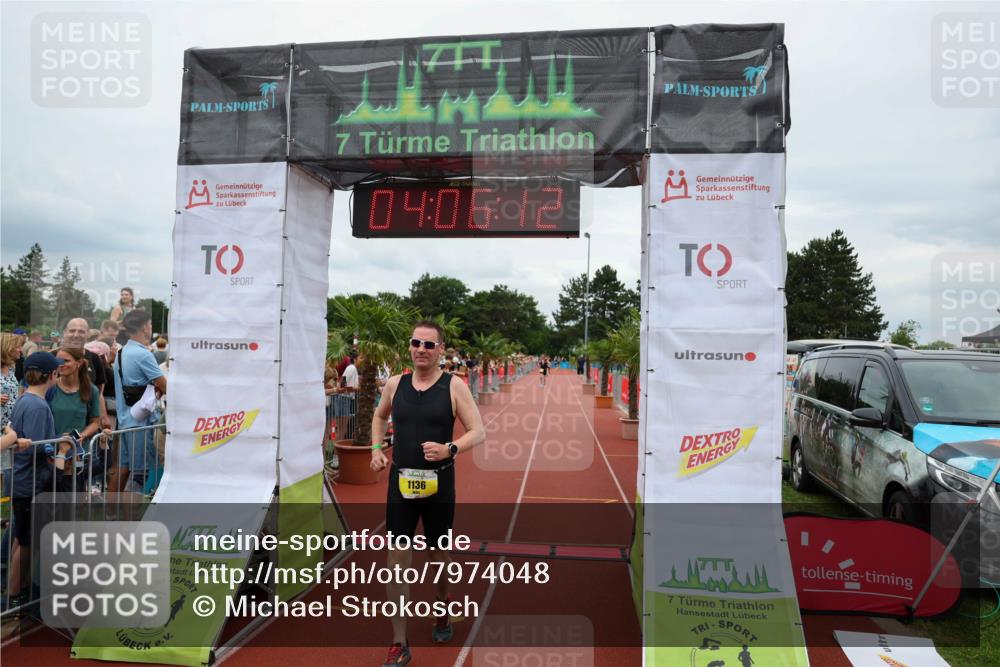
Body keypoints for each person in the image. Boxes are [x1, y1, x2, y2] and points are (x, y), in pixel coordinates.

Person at [370, 320, 486, 665]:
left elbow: (477, 432)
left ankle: (442, 606)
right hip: (401, 484)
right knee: (396, 561)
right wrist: (376, 449)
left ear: (440, 350)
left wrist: (450, 448)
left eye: (429, 345)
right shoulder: (395, 384)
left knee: (438, 559)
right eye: (416, 343)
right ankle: (399, 642)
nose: (421, 349)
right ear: (410, 347)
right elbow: (378, 417)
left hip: (439, 485)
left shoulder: (454, 386)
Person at [7, 351, 69, 607]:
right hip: (30, 481)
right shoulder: (36, 405)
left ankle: (14, 589)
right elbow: (34, 446)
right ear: (50, 375)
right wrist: (60, 450)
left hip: (24, 479)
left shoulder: (26, 399)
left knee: (22, 537)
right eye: (56, 371)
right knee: (27, 541)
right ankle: (13, 596)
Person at [110, 310, 166, 493]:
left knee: (124, 470)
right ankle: (130, 519)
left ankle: (110, 514)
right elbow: (165, 386)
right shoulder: (143, 354)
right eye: (150, 324)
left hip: (125, 420)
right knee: (141, 476)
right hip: (142, 423)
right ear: (145, 327)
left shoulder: (122, 352)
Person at [48, 347, 104, 491]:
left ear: (79, 363)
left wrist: (82, 435)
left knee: (72, 499)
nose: (61, 364)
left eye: (66, 361)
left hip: (78, 455)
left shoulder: (91, 390)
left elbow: (95, 422)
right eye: (58, 361)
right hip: (51, 453)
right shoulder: (50, 388)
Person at [1, 332, 23, 429]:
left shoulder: (11, 367)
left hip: (9, 426)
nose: (20, 350)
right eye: (18, 347)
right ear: (7, 348)